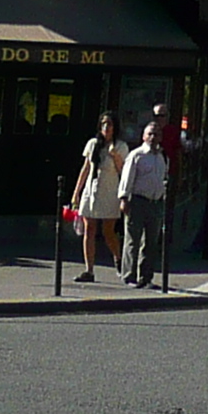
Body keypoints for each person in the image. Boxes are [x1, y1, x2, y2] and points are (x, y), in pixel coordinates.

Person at [68, 113, 126, 283]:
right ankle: (89, 270)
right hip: (91, 191)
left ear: (115, 127)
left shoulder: (120, 146)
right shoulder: (93, 144)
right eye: (103, 124)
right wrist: (76, 193)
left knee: (108, 231)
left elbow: (123, 171)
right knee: (89, 230)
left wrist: (115, 156)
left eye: (109, 124)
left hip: (110, 192)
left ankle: (118, 259)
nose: (106, 128)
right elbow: (85, 168)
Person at [118, 118, 172, 288]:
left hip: (155, 202)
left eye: (157, 134)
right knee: (133, 240)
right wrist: (124, 199)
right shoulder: (136, 155)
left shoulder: (162, 157)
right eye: (150, 133)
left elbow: (164, 177)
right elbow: (127, 179)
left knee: (151, 241)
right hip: (137, 201)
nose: (153, 137)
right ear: (143, 136)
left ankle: (146, 277)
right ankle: (129, 276)